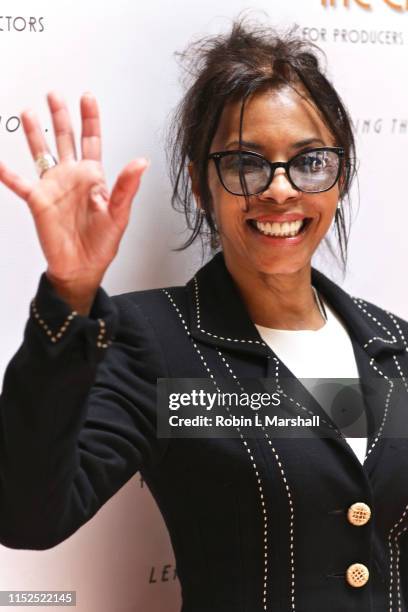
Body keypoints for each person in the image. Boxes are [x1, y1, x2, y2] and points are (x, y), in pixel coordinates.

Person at [0, 17, 407, 612]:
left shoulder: (394, 342)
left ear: (338, 175)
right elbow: (28, 517)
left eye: (309, 161)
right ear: (200, 184)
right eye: (245, 163)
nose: (279, 190)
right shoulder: (153, 340)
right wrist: (69, 295)